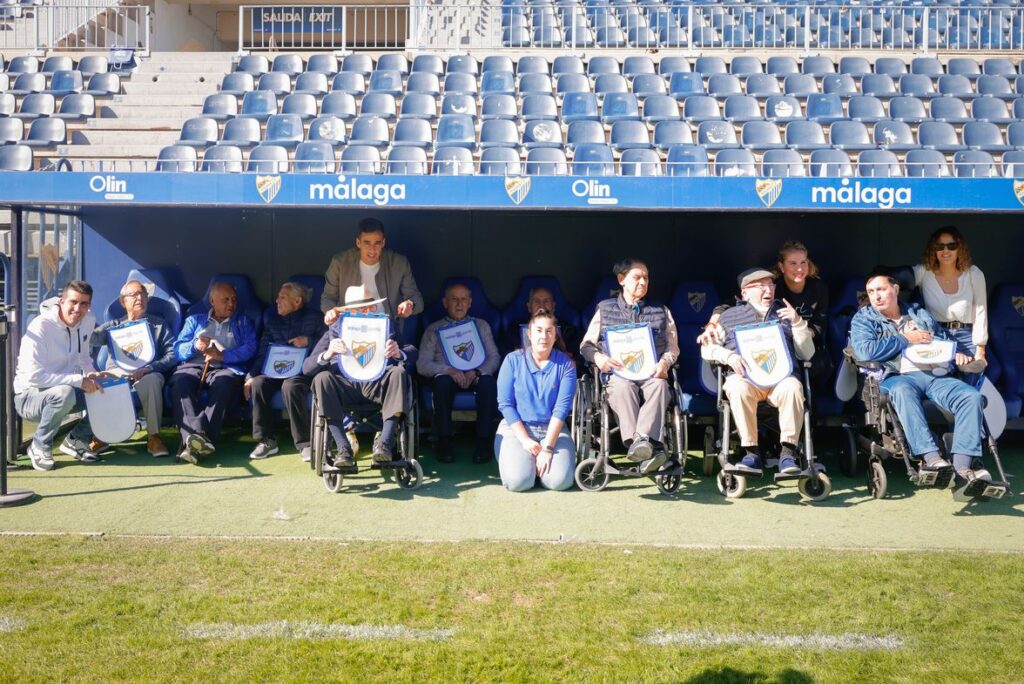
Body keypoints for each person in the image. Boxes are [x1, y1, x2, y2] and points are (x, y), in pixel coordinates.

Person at [851, 268, 991, 484]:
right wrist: (905, 339)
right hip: (896, 376)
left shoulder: (919, 312)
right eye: (870, 292)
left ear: (895, 289)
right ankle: (932, 459)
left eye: (881, 289)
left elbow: (943, 338)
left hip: (934, 374)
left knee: (971, 397)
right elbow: (865, 352)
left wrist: (957, 354)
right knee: (902, 391)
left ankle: (962, 468)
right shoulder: (864, 318)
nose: (875, 296)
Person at [700, 268, 815, 476]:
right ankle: (751, 453)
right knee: (736, 386)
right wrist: (729, 357)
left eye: (771, 285)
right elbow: (706, 349)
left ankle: (788, 454)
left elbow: (807, 353)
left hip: (780, 380)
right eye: (760, 286)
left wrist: (798, 323)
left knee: (793, 387)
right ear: (745, 293)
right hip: (747, 379)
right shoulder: (727, 317)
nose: (767, 290)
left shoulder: (785, 313)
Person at [580, 258, 680, 474]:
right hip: (618, 374)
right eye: (637, 277)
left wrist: (665, 363)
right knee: (623, 387)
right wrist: (600, 360)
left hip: (651, 372)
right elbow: (586, 346)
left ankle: (641, 442)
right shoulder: (604, 310)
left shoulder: (661, 310)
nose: (643, 282)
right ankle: (649, 446)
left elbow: (673, 348)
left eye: (646, 277)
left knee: (660, 386)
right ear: (621, 279)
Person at [304, 285, 418, 468]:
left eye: (369, 306)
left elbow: (412, 352)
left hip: (378, 384)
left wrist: (398, 353)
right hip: (345, 387)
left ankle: (385, 445)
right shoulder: (335, 329)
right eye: (359, 308)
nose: (366, 311)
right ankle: (343, 448)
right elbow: (307, 367)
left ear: (374, 307)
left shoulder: (387, 325)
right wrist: (328, 354)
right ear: (348, 311)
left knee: (399, 373)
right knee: (321, 378)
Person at [13, 280, 104, 470]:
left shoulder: (88, 319)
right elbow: (34, 377)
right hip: (29, 397)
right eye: (73, 302)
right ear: (61, 302)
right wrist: (79, 380)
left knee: (105, 391)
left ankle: (76, 439)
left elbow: (83, 356)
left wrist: (91, 373)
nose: (78, 309)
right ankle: (39, 445)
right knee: (64, 393)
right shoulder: (40, 326)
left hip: (64, 391)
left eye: (84, 304)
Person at [699, 241, 829, 371]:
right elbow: (725, 306)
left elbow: (818, 326)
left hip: (799, 343)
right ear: (782, 266)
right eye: (793, 263)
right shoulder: (771, 287)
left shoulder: (818, 288)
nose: (799, 269)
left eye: (803, 262)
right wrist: (711, 326)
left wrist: (797, 331)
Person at [169, 282, 257, 463]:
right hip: (193, 366)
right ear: (212, 301)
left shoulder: (242, 321)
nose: (231, 304)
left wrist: (223, 355)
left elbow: (251, 348)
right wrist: (195, 346)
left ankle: (194, 441)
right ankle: (201, 438)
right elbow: (178, 350)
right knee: (179, 382)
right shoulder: (195, 320)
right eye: (225, 300)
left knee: (225, 383)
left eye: (233, 299)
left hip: (225, 367)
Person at [91, 279, 177, 457]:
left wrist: (152, 367)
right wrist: (86, 320)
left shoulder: (158, 324)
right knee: (98, 380)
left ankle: (154, 437)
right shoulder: (113, 327)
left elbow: (173, 354)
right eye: (134, 295)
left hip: (148, 371)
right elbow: (90, 340)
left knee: (152, 380)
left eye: (143, 294)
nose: (140, 298)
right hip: (117, 372)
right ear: (123, 302)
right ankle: (101, 435)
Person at [495, 309, 577, 491]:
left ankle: (538, 465)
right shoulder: (512, 360)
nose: (544, 336)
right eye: (539, 330)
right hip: (517, 430)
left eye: (549, 331)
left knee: (559, 482)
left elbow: (561, 409)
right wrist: (525, 441)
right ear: (529, 334)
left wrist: (547, 449)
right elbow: (505, 403)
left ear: (555, 336)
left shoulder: (566, 366)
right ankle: (525, 464)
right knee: (519, 482)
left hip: (553, 430)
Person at [417, 283, 500, 464]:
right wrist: (447, 370)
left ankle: (483, 442)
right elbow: (422, 364)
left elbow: (494, 357)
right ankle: (444, 441)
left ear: (470, 303)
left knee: (488, 382)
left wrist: (477, 372)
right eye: (454, 299)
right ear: (445, 303)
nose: (459, 304)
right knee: (442, 383)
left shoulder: (481, 325)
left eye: (464, 299)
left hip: (475, 374)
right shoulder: (433, 329)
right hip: (447, 375)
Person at [244, 282, 325, 461]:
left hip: (303, 373)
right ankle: (266, 440)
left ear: (297, 301)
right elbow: (262, 352)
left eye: (282, 297)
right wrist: (250, 376)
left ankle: (304, 443)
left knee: (290, 386)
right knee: (258, 383)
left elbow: (326, 344)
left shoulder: (316, 318)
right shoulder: (273, 323)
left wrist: (308, 342)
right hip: (275, 372)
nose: (277, 301)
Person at [913, 226, 988, 380]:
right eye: (940, 246)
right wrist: (869, 295)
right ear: (933, 250)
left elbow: (981, 312)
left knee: (969, 380)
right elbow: (894, 283)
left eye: (951, 246)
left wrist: (980, 350)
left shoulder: (973, 273)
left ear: (960, 249)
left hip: (967, 335)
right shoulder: (924, 272)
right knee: (941, 383)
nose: (945, 251)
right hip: (937, 336)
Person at [321, 218, 423, 328]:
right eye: (367, 243)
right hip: (349, 326)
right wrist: (331, 311)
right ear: (358, 242)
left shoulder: (399, 263)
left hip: (386, 328)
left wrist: (410, 304)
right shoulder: (340, 263)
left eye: (377, 243)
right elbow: (328, 297)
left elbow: (417, 300)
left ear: (383, 242)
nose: (372, 250)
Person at [501, 285, 582, 359]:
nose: (541, 305)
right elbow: (508, 358)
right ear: (529, 307)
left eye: (546, 301)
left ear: (553, 306)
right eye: (537, 301)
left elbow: (576, 359)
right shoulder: (514, 330)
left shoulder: (568, 330)